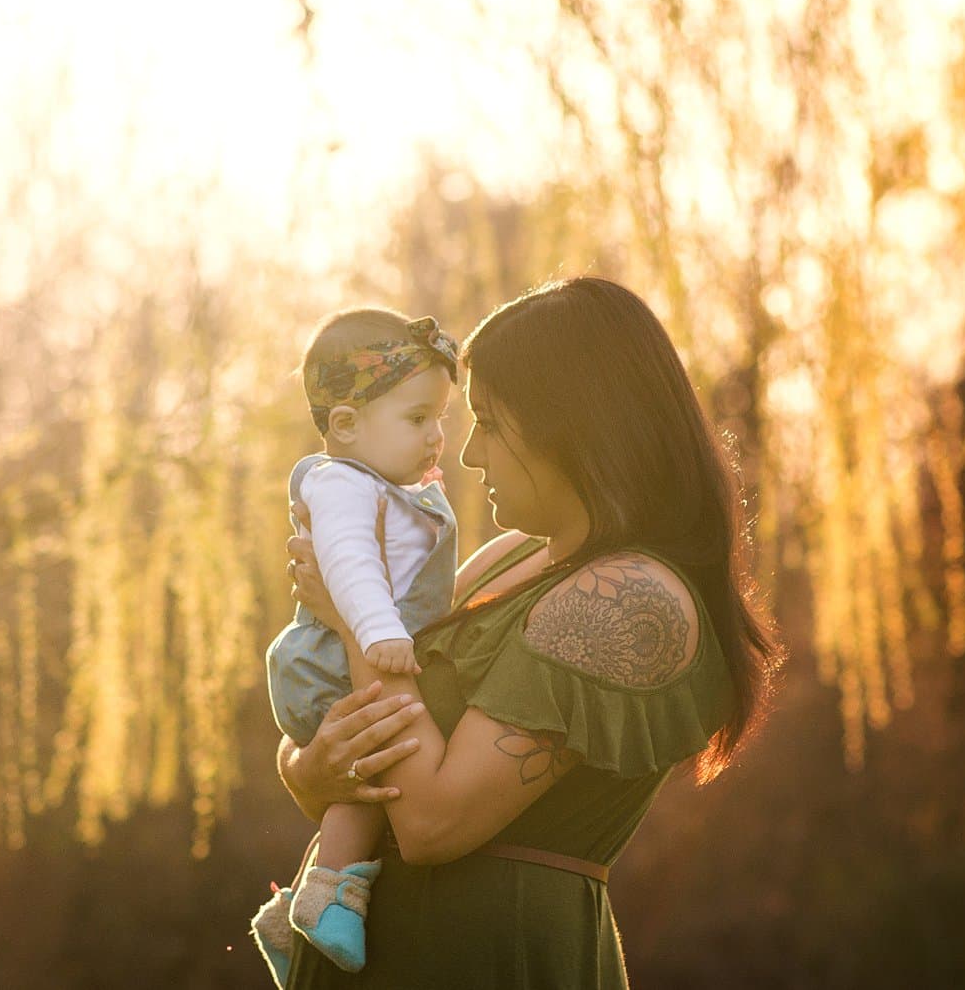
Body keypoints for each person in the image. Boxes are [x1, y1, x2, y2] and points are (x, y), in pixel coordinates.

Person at [274, 277, 782, 988]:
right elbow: (345, 720)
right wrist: (304, 767)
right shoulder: (504, 561)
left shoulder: (627, 599)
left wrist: (356, 615)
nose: (471, 453)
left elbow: (429, 822)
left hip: (492, 961)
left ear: (572, 427)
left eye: (491, 422)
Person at [251, 309, 463, 981]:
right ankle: (330, 895)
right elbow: (347, 564)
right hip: (332, 657)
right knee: (373, 765)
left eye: (440, 419)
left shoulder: (393, 487)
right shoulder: (339, 482)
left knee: (368, 766)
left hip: (367, 648)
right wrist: (378, 632)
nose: (436, 436)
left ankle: (291, 914)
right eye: (416, 418)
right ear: (345, 426)